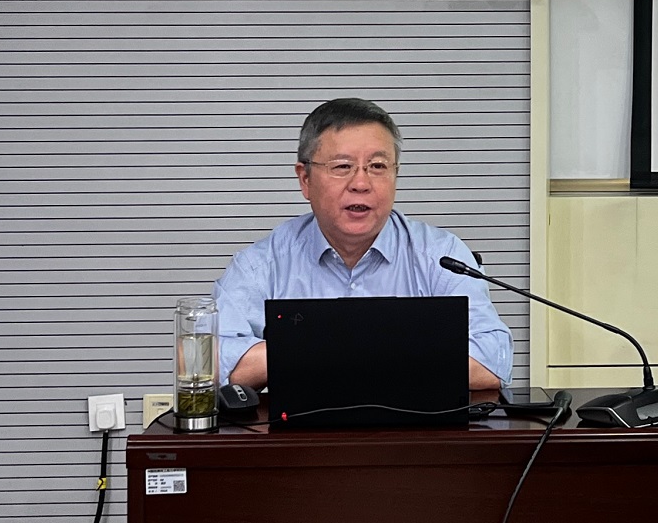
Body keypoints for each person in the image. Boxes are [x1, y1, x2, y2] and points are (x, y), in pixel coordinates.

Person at [212, 97, 511, 391]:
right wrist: (378, 352)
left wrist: (309, 353)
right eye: (343, 166)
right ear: (305, 180)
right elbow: (214, 360)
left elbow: (491, 361)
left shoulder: (441, 257)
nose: (361, 183)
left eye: (378, 166)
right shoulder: (262, 265)